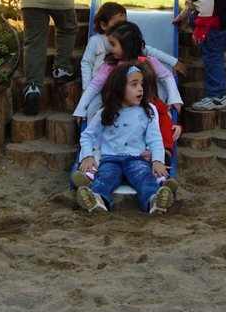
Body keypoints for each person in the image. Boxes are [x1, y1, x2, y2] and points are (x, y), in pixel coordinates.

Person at [75, 62, 175, 214]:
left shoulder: (147, 112)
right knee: (105, 179)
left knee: (145, 179)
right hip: (111, 159)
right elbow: (87, 136)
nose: (140, 88)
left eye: (141, 84)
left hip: (137, 159)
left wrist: (157, 161)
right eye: (134, 85)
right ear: (119, 88)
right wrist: (88, 156)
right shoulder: (105, 113)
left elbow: (155, 140)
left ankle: (154, 201)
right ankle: (98, 201)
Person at [73, 21, 183, 120]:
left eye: (113, 44)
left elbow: (167, 76)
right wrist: (81, 108)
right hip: (118, 108)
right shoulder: (111, 65)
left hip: (143, 106)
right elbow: (95, 85)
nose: (110, 48)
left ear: (127, 45)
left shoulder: (147, 62)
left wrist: (174, 98)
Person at [81, 2, 186, 91]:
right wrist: (86, 87)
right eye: (117, 23)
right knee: (94, 109)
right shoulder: (95, 41)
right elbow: (87, 63)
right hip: (100, 87)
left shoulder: (128, 41)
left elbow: (150, 51)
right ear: (103, 25)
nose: (122, 27)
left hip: (124, 86)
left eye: (125, 23)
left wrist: (173, 62)